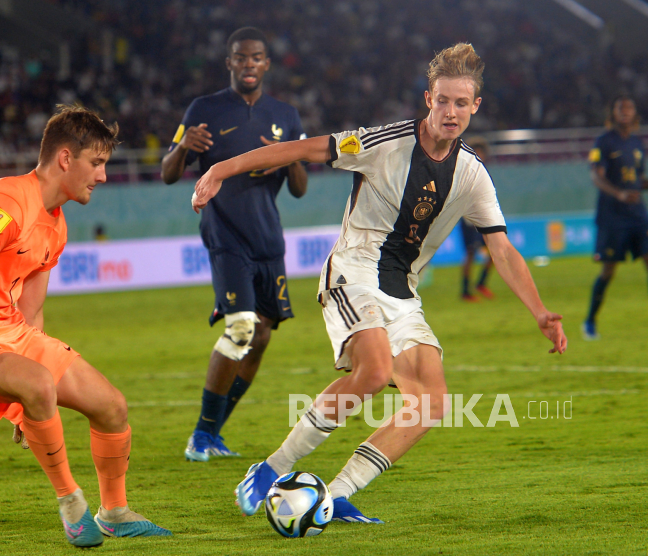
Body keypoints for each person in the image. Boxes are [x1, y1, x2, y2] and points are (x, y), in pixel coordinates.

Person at [193, 43, 567, 522]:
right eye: (443, 101)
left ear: (476, 107)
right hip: (353, 271)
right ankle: (270, 469)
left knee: (430, 403)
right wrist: (221, 168)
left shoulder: (473, 174)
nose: (451, 112)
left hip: (402, 292)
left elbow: (502, 248)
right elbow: (306, 149)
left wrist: (539, 311)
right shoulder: (384, 140)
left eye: (461, 103)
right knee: (371, 372)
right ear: (428, 100)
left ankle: (336, 494)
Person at [0, 105, 171, 547]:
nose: (103, 176)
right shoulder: (7, 202)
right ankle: (72, 504)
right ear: (65, 159)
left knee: (112, 406)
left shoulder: (56, 224)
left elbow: (31, 313)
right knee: (38, 384)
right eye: (97, 163)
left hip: (11, 331)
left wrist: (25, 400)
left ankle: (113, 511)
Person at [161, 27, 308, 462]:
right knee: (241, 327)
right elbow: (169, 172)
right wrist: (183, 146)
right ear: (229, 62)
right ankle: (202, 436)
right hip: (224, 235)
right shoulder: (203, 109)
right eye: (241, 58)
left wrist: (289, 153)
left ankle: (210, 433)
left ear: (266, 63)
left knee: (260, 337)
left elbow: (299, 189)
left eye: (257, 57)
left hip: (268, 240)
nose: (249, 64)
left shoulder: (286, 114)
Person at [583, 95, 648, 340]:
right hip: (612, 218)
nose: (625, 111)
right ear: (613, 113)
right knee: (608, 271)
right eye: (620, 107)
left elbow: (636, 180)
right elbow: (596, 176)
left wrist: (639, 186)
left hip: (638, 216)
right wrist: (619, 193)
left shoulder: (637, 143)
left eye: (629, 107)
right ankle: (590, 321)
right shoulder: (603, 142)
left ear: (634, 114)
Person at [459, 136, 494, 301]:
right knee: (471, 253)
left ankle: (480, 283)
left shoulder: (483, 170)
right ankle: (465, 291)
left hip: (482, 217)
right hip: (469, 218)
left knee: (494, 251)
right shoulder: (465, 171)